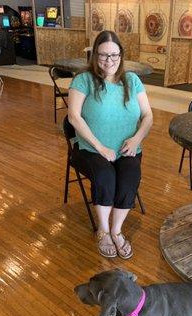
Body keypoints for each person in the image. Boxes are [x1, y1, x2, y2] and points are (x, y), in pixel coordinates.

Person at [68, 30, 153, 259]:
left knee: (130, 174)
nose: (109, 61)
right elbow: (74, 117)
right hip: (89, 148)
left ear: (121, 55)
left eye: (114, 55)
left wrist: (136, 140)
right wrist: (100, 146)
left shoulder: (132, 80)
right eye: (103, 55)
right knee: (105, 176)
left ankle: (116, 231)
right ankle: (103, 231)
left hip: (127, 147)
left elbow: (148, 116)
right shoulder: (83, 79)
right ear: (95, 55)